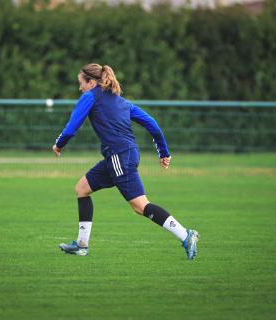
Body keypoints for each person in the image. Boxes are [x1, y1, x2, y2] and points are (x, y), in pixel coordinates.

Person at [52, 63, 199, 260]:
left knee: (140, 206)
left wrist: (59, 144)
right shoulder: (121, 101)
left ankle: (185, 235)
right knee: (81, 189)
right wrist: (163, 152)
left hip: (118, 156)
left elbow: (71, 128)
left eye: (81, 83)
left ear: (92, 82)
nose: (80, 88)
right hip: (123, 155)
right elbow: (152, 124)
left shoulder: (90, 96)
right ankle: (81, 245)